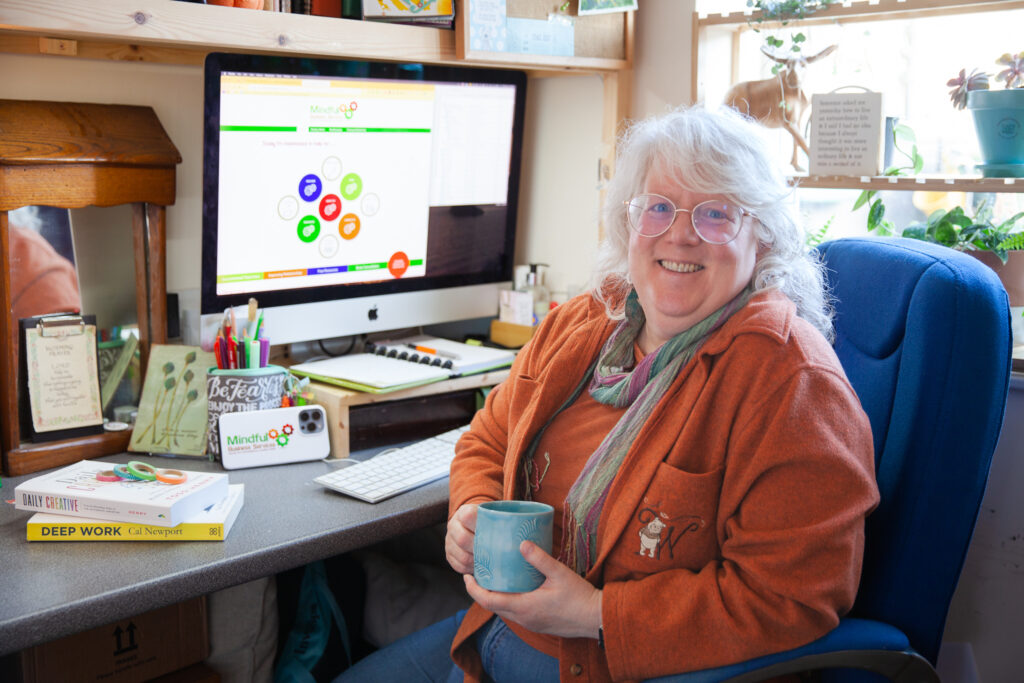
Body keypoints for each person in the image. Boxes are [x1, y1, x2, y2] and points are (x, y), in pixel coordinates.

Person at [338, 104, 880, 682]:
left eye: (716, 214)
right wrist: (471, 509)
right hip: (492, 631)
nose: (680, 234)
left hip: (604, 663)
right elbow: (490, 436)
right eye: (660, 208)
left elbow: (794, 596)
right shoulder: (585, 319)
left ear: (764, 240)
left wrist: (595, 613)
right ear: (631, 222)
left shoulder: (790, 382)